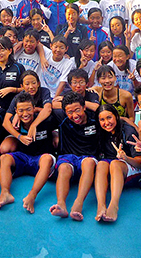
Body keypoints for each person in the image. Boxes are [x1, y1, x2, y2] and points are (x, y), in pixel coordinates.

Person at [0, 92, 57, 213]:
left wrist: (55, 135)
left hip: (41, 157)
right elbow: (5, 124)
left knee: (47, 160)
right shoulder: (15, 122)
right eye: (21, 111)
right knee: (5, 158)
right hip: (23, 157)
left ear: (34, 108)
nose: (25, 114)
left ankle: (32, 195)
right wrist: (19, 137)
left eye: (28, 109)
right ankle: (5, 193)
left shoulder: (47, 120)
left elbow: (56, 123)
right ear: (16, 111)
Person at [50, 92, 99, 221]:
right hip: (68, 156)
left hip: (88, 157)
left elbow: (110, 113)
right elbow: (46, 108)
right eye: (70, 112)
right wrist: (54, 134)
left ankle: (78, 203)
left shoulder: (96, 118)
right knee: (64, 167)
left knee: (88, 163)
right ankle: (61, 204)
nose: (74, 115)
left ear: (84, 107)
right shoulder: (62, 118)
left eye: (78, 110)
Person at [94, 104, 141, 222]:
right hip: (113, 167)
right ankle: (101, 205)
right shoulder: (101, 132)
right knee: (101, 164)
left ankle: (113, 205)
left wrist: (126, 158)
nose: (106, 122)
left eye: (109, 118)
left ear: (116, 116)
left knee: (115, 164)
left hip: (131, 167)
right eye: (102, 119)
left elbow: (139, 163)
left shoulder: (128, 131)